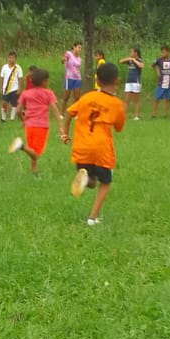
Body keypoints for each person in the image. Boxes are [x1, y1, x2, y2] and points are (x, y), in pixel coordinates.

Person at [62, 63, 125, 226]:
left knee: (92, 182)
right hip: (101, 148)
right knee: (105, 182)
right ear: (117, 81)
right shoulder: (117, 104)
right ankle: (92, 218)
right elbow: (119, 128)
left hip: (81, 145)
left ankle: (85, 178)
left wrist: (64, 133)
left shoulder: (87, 97)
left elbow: (69, 112)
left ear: (97, 80)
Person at [9, 67, 63, 174]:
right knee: (36, 154)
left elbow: (18, 110)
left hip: (29, 126)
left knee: (32, 150)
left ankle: (34, 172)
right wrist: (61, 127)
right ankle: (21, 146)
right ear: (44, 82)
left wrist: (23, 120)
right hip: (41, 126)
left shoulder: (26, 93)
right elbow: (55, 111)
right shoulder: (48, 93)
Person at [151, 45, 170, 118]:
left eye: (163, 52)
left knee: (168, 99)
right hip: (161, 83)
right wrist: (158, 72)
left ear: (168, 52)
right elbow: (153, 65)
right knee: (157, 98)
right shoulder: (159, 60)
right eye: (161, 52)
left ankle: (166, 114)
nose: (162, 53)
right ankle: (154, 113)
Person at [119, 47, 144, 120]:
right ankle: (123, 115)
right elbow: (121, 61)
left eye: (131, 52)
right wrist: (129, 59)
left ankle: (136, 116)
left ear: (136, 53)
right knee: (126, 100)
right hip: (128, 81)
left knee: (136, 100)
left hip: (136, 82)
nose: (130, 53)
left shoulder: (139, 60)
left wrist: (134, 60)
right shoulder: (129, 60)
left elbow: (141, 66)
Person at [0, 51, 23, 122]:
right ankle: (3, 118)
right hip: (5, 89)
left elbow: (20, 79)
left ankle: (12, 118)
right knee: (4, 103)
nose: (11, 59)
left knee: (14, 104)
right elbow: (1, 78)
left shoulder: (18, 68)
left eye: (13, 58)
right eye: (10, 58)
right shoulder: (4, 67)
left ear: (15, 59)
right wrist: (0, 88)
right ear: (7, 58)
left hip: (14, 89)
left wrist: (19, 89)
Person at [60, 42, 83, 114]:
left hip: (78, 79)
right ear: (74, 47)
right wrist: (64, 59)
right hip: (69, 78)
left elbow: (77, 68)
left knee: (77, 97)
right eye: (79, 47)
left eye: (81, 48)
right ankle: (61, 113)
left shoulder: (79, 59)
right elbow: (63, 60)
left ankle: (72, 111)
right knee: (66, 97)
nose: (80, 49)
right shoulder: (69, 54)